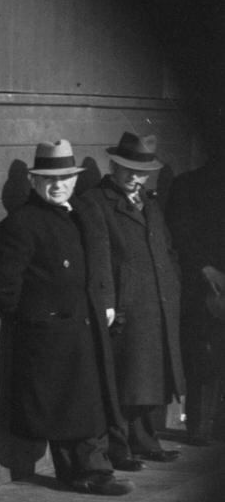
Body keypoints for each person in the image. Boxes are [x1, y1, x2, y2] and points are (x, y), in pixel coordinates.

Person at [0, 139, 129, 495]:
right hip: (50, 336)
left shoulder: (80, 215)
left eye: (65, 177)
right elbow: (3, 287)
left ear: (75, 180)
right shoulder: (21, 224)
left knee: (87, 406)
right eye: (49, 178)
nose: (57, 184)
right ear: (35, 181)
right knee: (66, 409)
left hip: (84, 329)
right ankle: (84, 475)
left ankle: (94, 471)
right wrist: (40, 321)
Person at [75, 132, 184, 467]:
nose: (134, 177)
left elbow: (165, 248)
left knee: (151, 379)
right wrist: (108, 302)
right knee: (125, 379)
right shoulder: (96, 201)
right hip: (126, 303)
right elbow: (98, 256)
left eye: (141, 171)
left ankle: (146, 442)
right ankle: (120, 450)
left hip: (157, 302)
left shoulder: (149, 202)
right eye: (127, 169)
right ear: (113, 165)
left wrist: (174, 285)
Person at [166, 146, 225, 444]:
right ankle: (201, 428)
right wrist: (206, 269)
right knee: (204, 359)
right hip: (204, 289)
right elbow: (180, 234)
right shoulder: (188, 185)